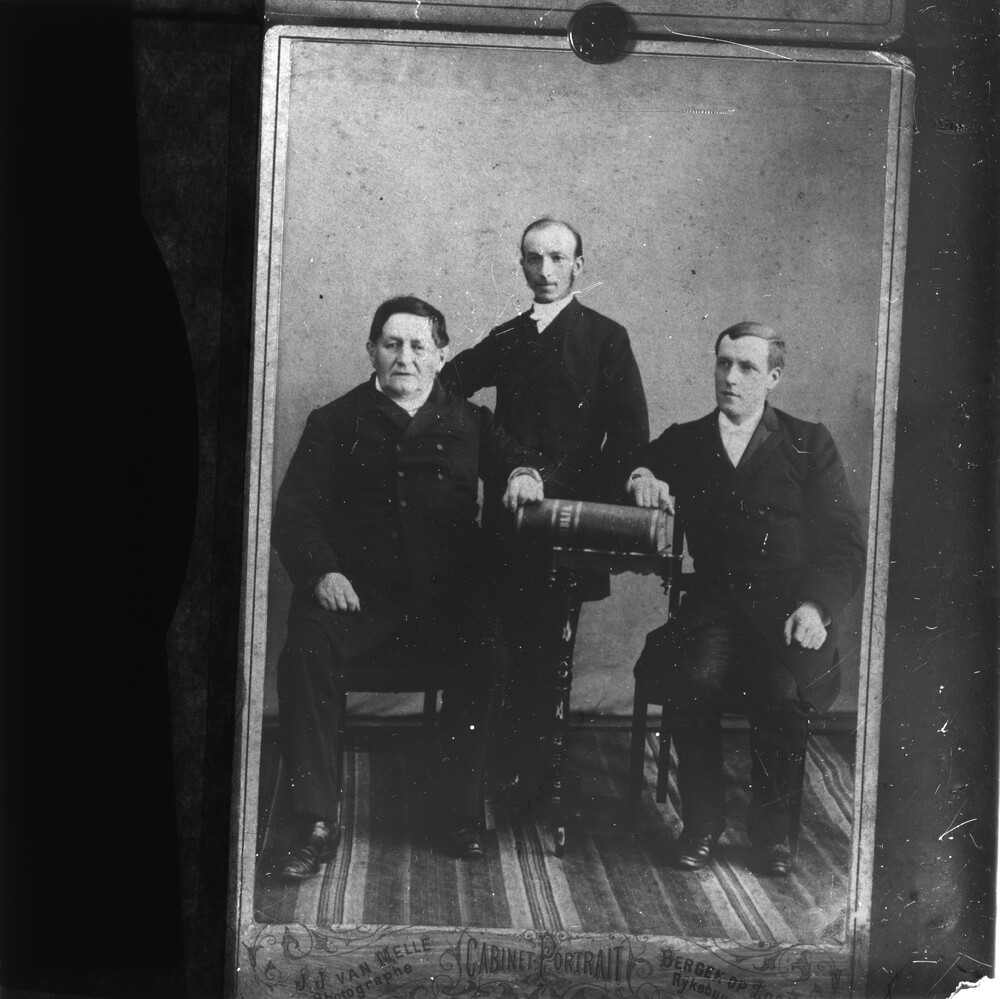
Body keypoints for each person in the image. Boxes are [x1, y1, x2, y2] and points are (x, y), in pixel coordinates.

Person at [270, 295, 545, 878]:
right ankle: (314, 819)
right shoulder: (334, 420)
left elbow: (515, 459)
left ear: (441, 355)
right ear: (371, 350)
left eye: (419, 345)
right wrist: (322, 572)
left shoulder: (470, 420)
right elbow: (295, 510)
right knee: (305, 653)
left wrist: (523, 474)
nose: (405, 357)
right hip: (355, 594)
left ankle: (456, 813)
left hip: (445, 595)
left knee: (489, 654)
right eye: (392, 344)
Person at [628, 321, 866, 876]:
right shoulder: (686, 440)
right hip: (712, 608)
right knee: (692, 682)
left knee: (781, 694)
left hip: (786, 611)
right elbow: (630, 461)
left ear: (773, 377)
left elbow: (843, 544)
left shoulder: (808, 442)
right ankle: (702, 824)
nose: (730, 378)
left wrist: (816, 607)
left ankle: (772, 835)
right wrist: (641, 475)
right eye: (723, 363)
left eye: (747, 367)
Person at [439, 217, 649, 796]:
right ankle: (496, 768)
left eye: (557, 258)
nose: (545, 270)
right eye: (534, 258)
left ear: (579, 266)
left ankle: (539, 778)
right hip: (508, 517)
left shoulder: (606, 337)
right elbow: (447, 384)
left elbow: (627, 436)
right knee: (500, 642)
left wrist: (555, 484)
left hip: (568, 521)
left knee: (549, 649)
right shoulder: (510, 335)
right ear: (522, 265)